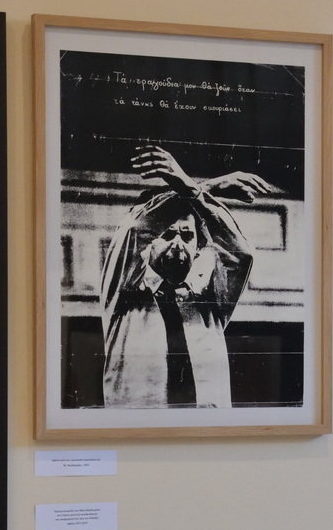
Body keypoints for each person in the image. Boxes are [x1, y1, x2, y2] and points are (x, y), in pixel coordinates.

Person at [99, 145, 272, 408]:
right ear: (148, 245)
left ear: (198, 247)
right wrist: (207, 187)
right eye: (167, 234)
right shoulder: (123, 292)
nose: (178, 243)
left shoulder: (211, 304)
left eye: (187, 235)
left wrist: (194, 189)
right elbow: (136, 228)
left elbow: (242, 255)